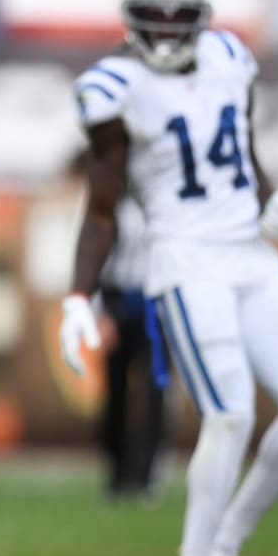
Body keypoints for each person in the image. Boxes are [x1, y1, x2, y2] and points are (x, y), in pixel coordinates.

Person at [57, 0, 278, 556]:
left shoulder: (231, 58)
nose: (165, 29)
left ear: (203, 15)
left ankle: (225, 552)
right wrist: (78, 296)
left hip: (252, 256)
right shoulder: (112, 88)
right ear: (129, 14)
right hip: (184, 261)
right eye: (153, 14)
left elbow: (241, 151)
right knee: (232, 412)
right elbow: (101, 208)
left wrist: (269, 199)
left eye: (179, 14)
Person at [96, 195, 169, 504]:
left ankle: (148, 474)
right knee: (115, 394)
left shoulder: (166, 204)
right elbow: (96, 255)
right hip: (119, 302)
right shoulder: (113, 204)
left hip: (156, 305)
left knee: (155, 393)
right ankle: (117, 472)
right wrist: (100, 310)